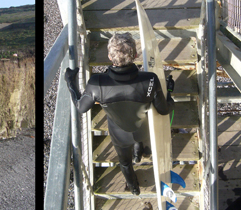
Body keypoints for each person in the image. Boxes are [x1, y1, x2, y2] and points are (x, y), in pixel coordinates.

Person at [66, 33, 174, 195]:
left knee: (124, 163)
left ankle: (134, 188)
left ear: (110, 56)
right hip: (142, 130)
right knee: (138, 135)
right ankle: (138, 154)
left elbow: (80, 107)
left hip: (119, 135)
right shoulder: (150, 79)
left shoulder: (96, 83)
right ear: (135, 55)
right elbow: (164, 109)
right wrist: (170, 91)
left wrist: (70, 82)